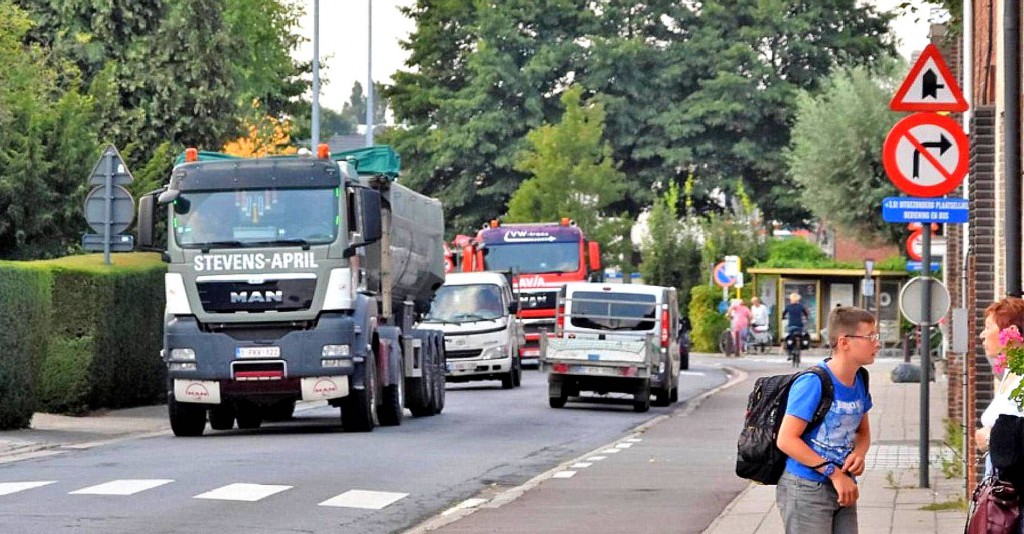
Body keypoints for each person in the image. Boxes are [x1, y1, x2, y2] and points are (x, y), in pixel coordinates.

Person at [775, 306, 877, 533]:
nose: (877, 343)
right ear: (844, 342)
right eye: (870, 337)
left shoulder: (859, 378)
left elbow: (863, 432)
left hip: (843, 484)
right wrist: (834, 473)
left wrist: (858, 454)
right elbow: (786, 439)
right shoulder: (813, 382)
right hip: (806, 487)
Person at [975, 297, 1024, 461]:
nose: (982, 334)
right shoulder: (1012, 370)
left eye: (988, 328)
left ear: (1011, 332)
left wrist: (991, 438)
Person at [782, 293, 810, 358]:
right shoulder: (801, 306)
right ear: (798, 299)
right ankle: (799, 345)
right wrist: (807, 318)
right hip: (799, 325)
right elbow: (805, 314)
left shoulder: (788, 306)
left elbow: (783, 314)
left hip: (791, 324)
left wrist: (783, 318)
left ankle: (789, 353)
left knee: (790, 337)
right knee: (800, 335)